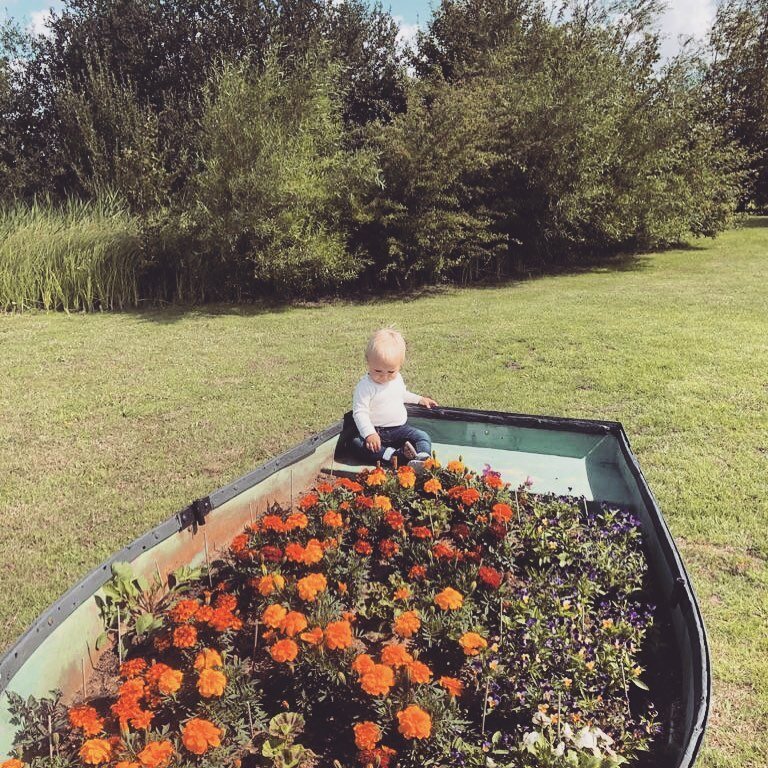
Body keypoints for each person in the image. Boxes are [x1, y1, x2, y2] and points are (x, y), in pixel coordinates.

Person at [351, 328, 438, 467]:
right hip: (376, 431)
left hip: (399, 429)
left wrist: (419, 399)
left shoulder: (397, 379)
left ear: (399, 366)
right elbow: (360, 412)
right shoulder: (365, 386)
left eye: (391, 371)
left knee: (422, 436)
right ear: (368, 361)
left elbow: (402, 394)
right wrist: (369, 434)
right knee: (357, 444)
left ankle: (422, 458)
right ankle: (395, 456)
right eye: (378, 371)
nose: (384, 376)